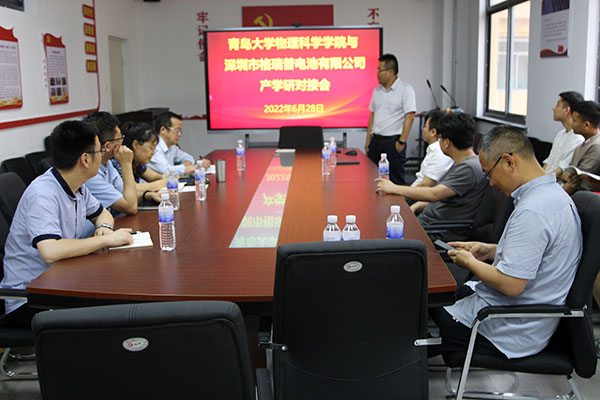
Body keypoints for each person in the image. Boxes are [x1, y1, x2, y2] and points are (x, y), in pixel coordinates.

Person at [429, 126, 582, 360]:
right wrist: (490, 250)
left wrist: (469, 262)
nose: (491, 183)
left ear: (509, 162)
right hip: (506, 308)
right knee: (431, 295)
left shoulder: (534, 210)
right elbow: (540, 254)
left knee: (415, 320)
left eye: (489, 173)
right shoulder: (551, 195)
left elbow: (511, 285)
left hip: (504, 327)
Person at [0, 120, 133, 328]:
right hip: (30, 298)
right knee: (114, 308)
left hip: (61, 280)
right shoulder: (43, 194)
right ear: (86, 159)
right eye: (100, 151)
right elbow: (50, 251)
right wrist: (106, 240)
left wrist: (104, 228)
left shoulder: (76, 185)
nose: (103, 156)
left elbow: (102, 214)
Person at [375, 113, 488, 240]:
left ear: (446, 142)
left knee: (377, 230)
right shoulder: (461, 163)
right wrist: (416, 206)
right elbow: (444, 198)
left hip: (436, 231)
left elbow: (434, 194)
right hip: (428, 223)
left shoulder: (469, 168)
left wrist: (394, 188)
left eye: (440, 138)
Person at [365, 54, 416, 185]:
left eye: (380, 70)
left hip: (393, 142)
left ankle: (396, 200)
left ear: (391, 72)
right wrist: (368, 140)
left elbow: (410, 116)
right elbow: (372, 115)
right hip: (376, 141)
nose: (377, 73)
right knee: (371, 178)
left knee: (395, 180)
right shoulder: (377, 90)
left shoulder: (405, 90)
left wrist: (401, 142)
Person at [83, 111, 138, 215]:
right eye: (120, 138)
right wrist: (126, 164)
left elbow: (125, 193)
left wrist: (147, 195)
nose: (122, 142)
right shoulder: (90, 174)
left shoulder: (107, 163)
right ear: (108, 146)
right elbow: (131, 207)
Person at [116, 121, 167, 203]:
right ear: (135, 145)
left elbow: (155, 177)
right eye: (151, 148)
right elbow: (133, 188)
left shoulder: (138, 162)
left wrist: (163, 180)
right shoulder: (119, 161)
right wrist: (162, 183)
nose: (153, 153)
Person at [148, 111, 210, 175]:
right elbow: (167, 171)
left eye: (180, 131)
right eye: (177, 130)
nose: (179, 134)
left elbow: (188, 157)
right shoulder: (154, 148)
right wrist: (196, 167)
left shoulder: (172, 147)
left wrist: (186, 163)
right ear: (163, 130)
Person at [561, 100, 600, 195]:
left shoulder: (596, 146)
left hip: (581, 195)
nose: (571, 124)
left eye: (574, 121)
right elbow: (569, 172)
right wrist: (565, 176)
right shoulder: (582, 145)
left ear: (586, 125)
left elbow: (579, 180)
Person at [543, 91, 584, 175]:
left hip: (554, 182)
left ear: (567, 110)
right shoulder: (560, 134)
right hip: (546, 178)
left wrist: (542, 180)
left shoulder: (578, 139)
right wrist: (538, 178)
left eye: (557, 105)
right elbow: (548, 162)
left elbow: (561, 171)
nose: (553, 108)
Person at [410, 109, 454, 188]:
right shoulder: (433, 149)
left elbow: (426, 185)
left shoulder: (440, 152)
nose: (423, 129)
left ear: (433, 132)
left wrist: (402, 194)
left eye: (424, 126)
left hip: (421, 193)